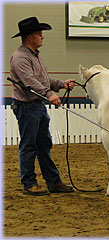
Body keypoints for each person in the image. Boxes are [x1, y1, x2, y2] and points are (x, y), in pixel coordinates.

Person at [10, 17, 75, 196]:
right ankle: (29, 183)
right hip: (27, 106)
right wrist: (49, 94)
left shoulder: (34, 56)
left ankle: (53, 182)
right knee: (29, 145)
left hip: (36, 107)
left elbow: (43, 81)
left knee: (44, 145)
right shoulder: (20, 58)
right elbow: (30, 83)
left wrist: (61, 84)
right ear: (30, 37)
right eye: (40, 34)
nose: (42, 37)